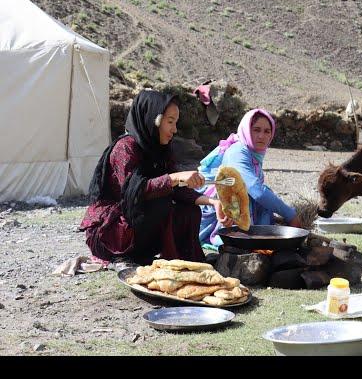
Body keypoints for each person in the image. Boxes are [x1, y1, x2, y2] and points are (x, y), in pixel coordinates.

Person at [79, 90, 225, 266]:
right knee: (160, 203)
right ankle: (125, 258)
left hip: (137, 226)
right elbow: (135, 192)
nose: (174, 129)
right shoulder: (125, 148)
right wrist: (175, 177)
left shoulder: (161, 149)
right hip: (111, 234)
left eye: (176, 123)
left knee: (189, 211)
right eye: (170, 122)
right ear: (153, 119)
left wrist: (213, 202)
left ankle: (182, 259)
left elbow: (177, 188)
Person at [199, 108, 301, 249]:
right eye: (256, 130)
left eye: (267, 131)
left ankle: (257, 234)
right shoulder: (238, 152)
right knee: (251, 194)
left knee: (264, 195)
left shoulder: (254, 153)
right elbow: (256, 190)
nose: (261, 136)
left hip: (236, 205)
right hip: (218, 210)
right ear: (247, 130)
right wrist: (290, 215)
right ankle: (235, 237)